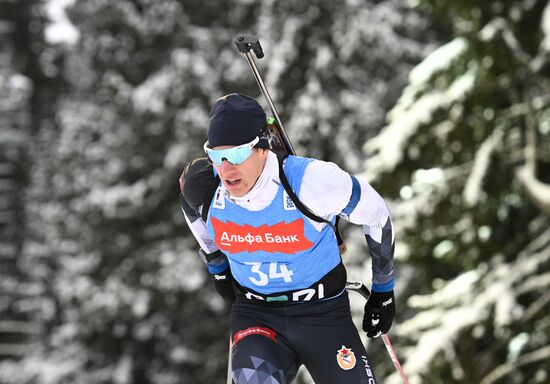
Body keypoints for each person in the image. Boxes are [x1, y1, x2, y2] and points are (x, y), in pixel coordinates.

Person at [180, 93, 396, 384]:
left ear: (262, 148)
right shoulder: (205, 188)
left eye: (238, 154)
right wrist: (217, 268)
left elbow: (376, 214)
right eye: (217, 156)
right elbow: (190, 207)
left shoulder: (311, 182)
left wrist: (384, 289)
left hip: (324, 317)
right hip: (257, 316)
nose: (226, 169)